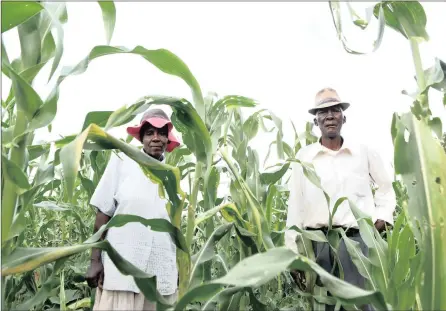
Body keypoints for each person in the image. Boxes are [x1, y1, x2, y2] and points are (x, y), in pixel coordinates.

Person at [285, 88, 396, 311]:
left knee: (361, 305)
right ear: (315, 121)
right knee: (326, 305)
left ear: (343, 117)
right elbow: (295, 206)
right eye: (322, 112)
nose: (329, 116)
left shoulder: (363, 153)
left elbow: (386, 188)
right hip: (319, 246)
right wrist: (292, 253)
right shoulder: (304, 158)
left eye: (335, 110)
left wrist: (381, 219)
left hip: (357, 244)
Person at [86, 108, 181, 311]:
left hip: (161, 274)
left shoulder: (173, 177)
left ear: (167, 139)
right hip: (123, 272)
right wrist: (95, 260)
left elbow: (175, 229)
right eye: (149, 133)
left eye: (162, 133)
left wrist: (177, 268)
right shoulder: (121, 163)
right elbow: (103, 214)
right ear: (141, 138)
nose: (156, 138)